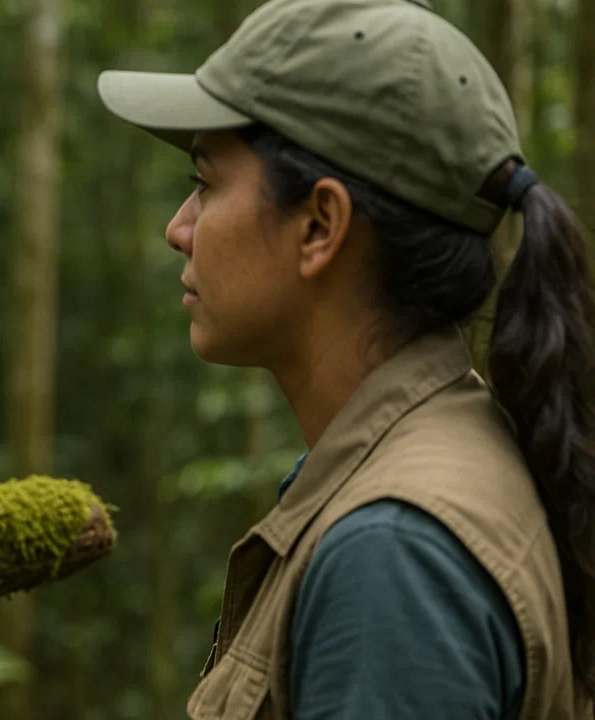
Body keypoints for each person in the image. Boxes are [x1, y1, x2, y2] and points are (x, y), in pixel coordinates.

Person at [97, 0, 595, 718]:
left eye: (204, 183)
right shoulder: (440, 454)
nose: (179, 230)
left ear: (320, 225)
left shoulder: (394, 555)